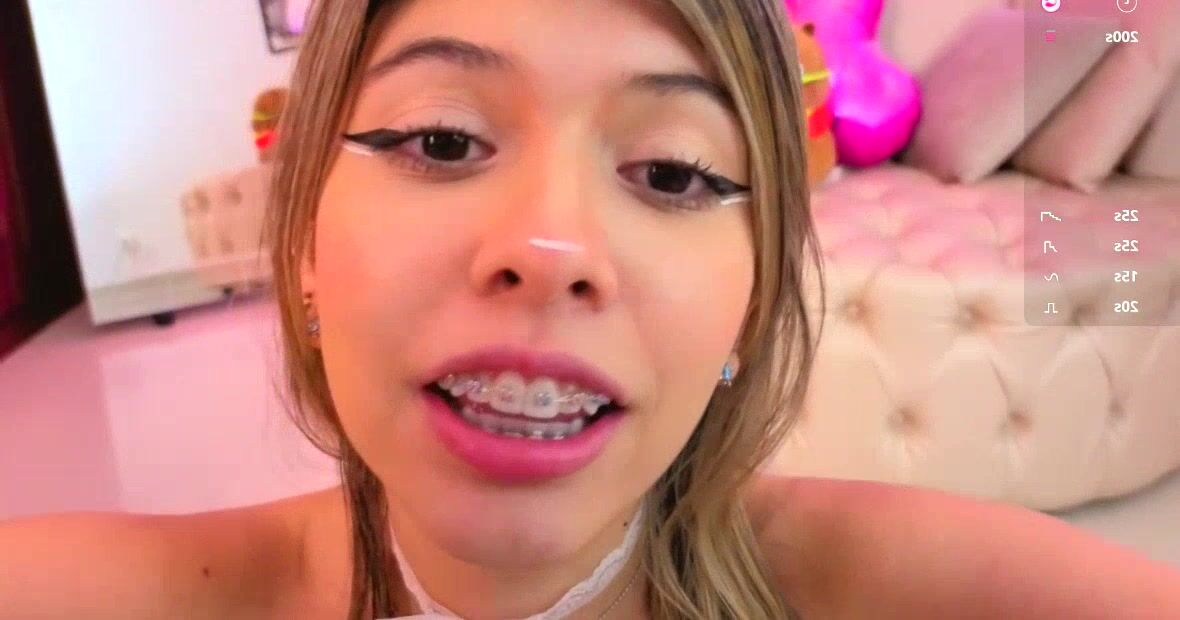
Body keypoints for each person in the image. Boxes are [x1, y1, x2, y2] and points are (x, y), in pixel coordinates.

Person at [2, 1, 1180, 618]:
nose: (549, 247)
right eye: (442, 140)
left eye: (672, 171)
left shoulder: (908, 584)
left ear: (753, 302)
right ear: (302, 240)